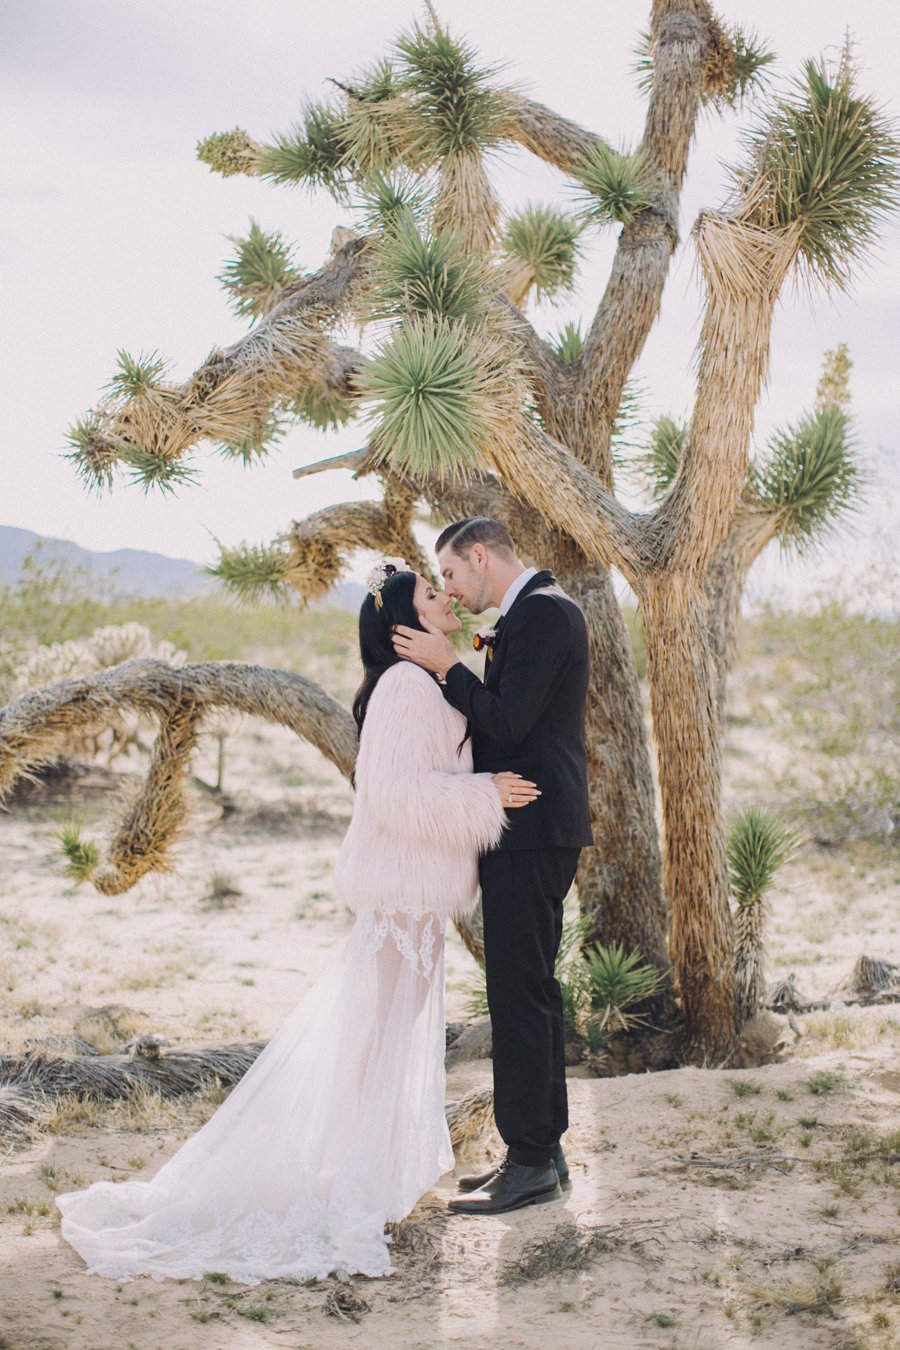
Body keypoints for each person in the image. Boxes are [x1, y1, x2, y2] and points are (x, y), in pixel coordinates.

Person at [56, 560, 539, 1284]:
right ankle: (352, 1182)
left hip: (413, 892)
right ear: (402, 626)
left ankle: (363, 1175)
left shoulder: (424, 680)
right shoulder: (406, 686)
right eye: (431, 595)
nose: (447, 600)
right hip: (402, 893)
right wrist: (485, 794)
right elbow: (394, 793)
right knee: (374, 1035)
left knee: (385, 1033)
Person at [392, 518, 592, 1216]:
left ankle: (532, 1160)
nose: (448, 587)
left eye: (449, 573)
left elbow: (506, 723)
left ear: (480, 557)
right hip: (529, 828)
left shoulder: (543, 614)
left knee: (520, 995)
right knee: (525, 990)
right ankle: (540, 1154)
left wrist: (446, 665)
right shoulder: (534, 613)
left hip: (532, 830)